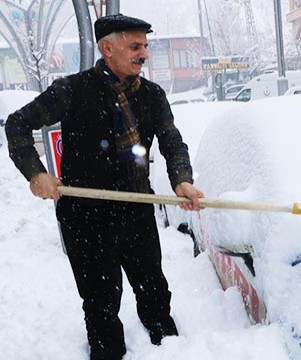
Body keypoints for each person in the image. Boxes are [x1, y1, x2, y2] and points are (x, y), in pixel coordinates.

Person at [4, 14, 204, 360]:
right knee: (101, 302)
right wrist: (36, 173)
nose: (144, 54)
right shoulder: (72, 90)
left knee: (154, 290)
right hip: (86, 217)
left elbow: (172, 141)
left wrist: (181, 179)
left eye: (145, 46)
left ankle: (170, 350)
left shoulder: (152, 96)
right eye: (135, 46)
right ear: (107, 48)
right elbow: (18, 124)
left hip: (136, 209)